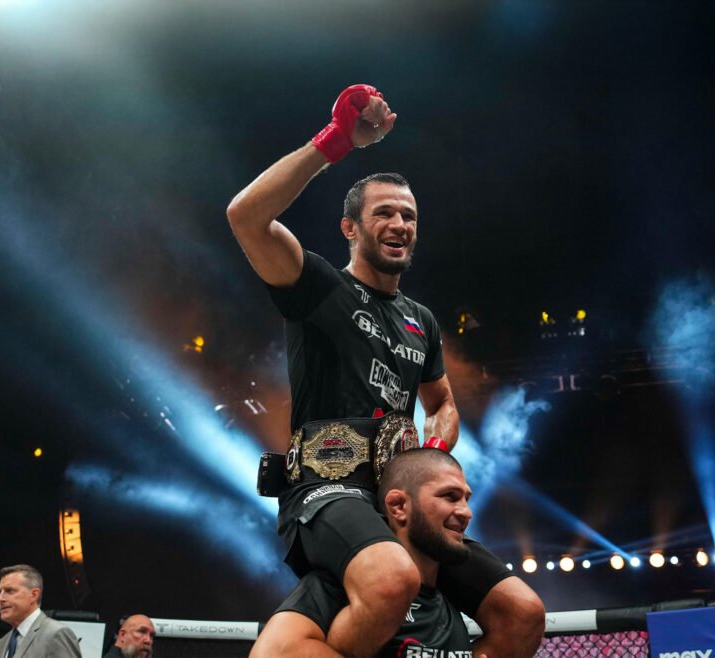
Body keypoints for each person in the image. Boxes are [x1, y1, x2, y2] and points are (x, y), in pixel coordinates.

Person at [227, 84, 544, 658]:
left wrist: (429, 453)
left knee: (521, 613)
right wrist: (334, 142)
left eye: (409, 216)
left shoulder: (420, 320)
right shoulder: (320, 286)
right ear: (350, 228)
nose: (400, 224)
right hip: (325, 491)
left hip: (396, 501)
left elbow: (442, 403)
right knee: (391, 579)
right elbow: (246, 215)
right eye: (384, 213)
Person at [253, 448, 488, 658]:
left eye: (466, 499)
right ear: (399, 506)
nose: (467, 512)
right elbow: (273, 652)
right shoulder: (335, 587)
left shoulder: (450, 598)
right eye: (450, 496)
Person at [0, 564, 81, 658]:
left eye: (9, 591)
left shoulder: (56, 634)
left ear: (34, 595)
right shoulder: (1, 644)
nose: (0, 599)